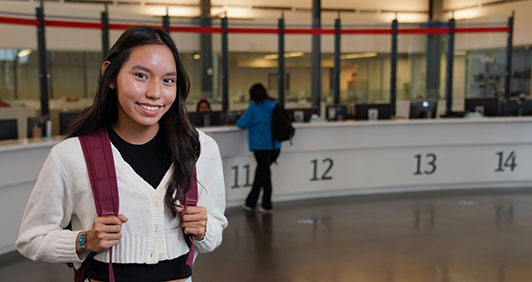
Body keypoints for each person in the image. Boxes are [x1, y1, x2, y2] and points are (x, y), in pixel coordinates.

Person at [16, 26, 227, 282]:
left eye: (168, 80)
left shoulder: (200, 149)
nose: (155, 93)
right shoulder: (71, 156)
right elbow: (31, 239)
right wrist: (84, 240)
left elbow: (215, 227)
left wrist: (205, 229)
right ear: (110, 75)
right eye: (141, 75)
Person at [236, 83, 280, 213]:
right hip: (275, 147)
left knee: (263, 174)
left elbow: (241, 123)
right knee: (263, 173)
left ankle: (263, 204)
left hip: (261, 147)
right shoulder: (273, 104)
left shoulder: (254, 107)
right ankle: (255, 203)